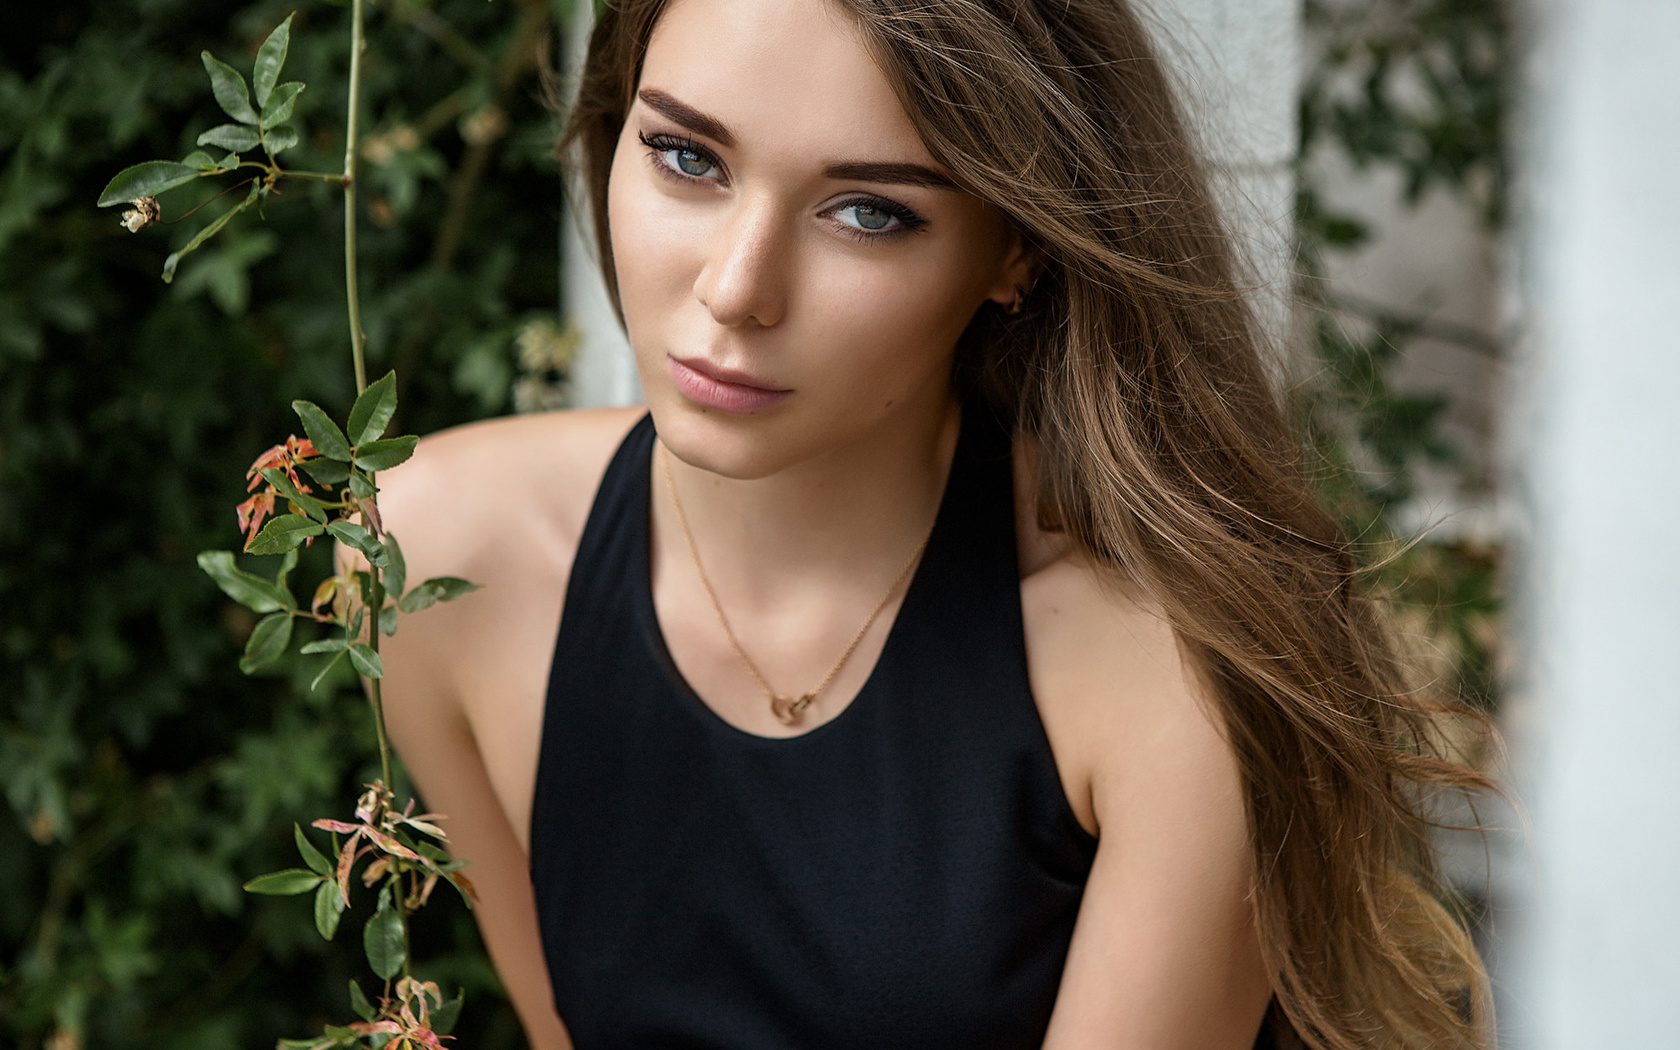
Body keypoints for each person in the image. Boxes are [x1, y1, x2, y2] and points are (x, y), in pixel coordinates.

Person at [368, 0, 1495, 1046]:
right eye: (686, 156)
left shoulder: (1163, 677)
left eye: (869, 212)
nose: (736, 288)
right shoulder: (434, 556)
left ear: (1017, 249)